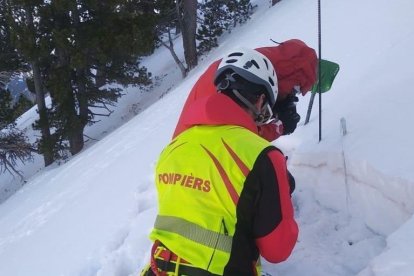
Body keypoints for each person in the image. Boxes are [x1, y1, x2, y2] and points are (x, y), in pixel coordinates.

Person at [141, 48, 298, 275]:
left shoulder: (173, 148)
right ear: (261, 99)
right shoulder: (262, 156)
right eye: (265, 109)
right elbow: (278, 250)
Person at [173, 39, 317, 142]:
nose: (293, 94)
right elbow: (243, 137)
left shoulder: (243, 70)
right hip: (198, 163)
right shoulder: (239, 86)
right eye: (296, 88)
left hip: (185, 156)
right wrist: (279, 127)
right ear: (288, 77)